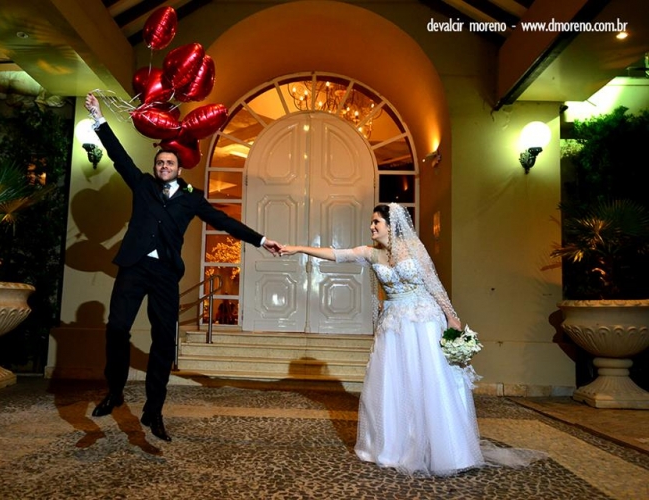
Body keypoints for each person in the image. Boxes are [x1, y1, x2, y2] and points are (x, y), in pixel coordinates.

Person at [280, 203, 544, 475]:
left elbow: (433, 283)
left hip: (424, 321)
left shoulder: (414, 248)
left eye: (376, 222)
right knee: (394, 382)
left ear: (391, 225)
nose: (371, 227)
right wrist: (297, 248)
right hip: (394, 326)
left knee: (429, 379)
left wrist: (451, 316)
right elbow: (337, 254)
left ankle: (445, 451)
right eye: (372, 222)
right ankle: (395, 448)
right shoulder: (371, 254)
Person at [84, 93, 282, 442]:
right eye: (160, 162)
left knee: (164, 340)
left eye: (169, 163)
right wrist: (99, 119)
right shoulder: (143, 185)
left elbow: (223, 221)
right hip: (133, 266)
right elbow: (118, 156)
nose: (163, 166)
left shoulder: (192, 198)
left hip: (165, 275)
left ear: (179, 168)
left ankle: (153, 410)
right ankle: (115, 391)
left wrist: (261, 239)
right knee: (116, 328)